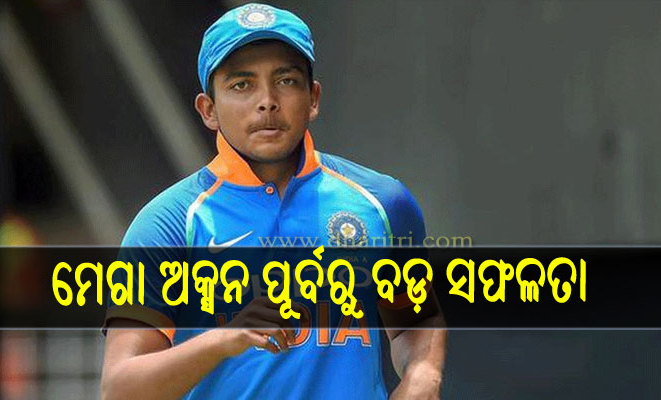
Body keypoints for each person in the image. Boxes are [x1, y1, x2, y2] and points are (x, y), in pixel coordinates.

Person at [101, 3, 446, 399]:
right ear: (208, 110)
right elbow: (120, 388)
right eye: (241, 85)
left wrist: (424, 373)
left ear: (313, 98)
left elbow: (414, 320)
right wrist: (223, 339)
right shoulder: (168, 224)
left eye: (286, 80)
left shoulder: (383, 203)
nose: (267, 100)